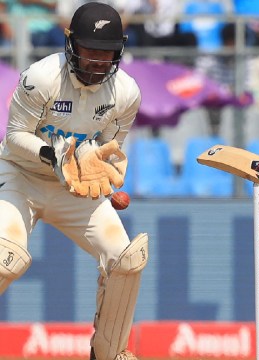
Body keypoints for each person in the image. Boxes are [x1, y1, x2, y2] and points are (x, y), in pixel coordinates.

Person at [0, 3, 147, 360]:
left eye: (106, 53)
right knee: (6, 257)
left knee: (125, 258)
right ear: (71, 45)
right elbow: (16, 135)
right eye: (90, 50)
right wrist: (56, 158)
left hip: (73, 189)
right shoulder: (42, 77)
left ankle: (108, 353)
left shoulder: (126, 93)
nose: (98, 61)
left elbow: (108, 150)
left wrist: (103, 166)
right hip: (22, 174)